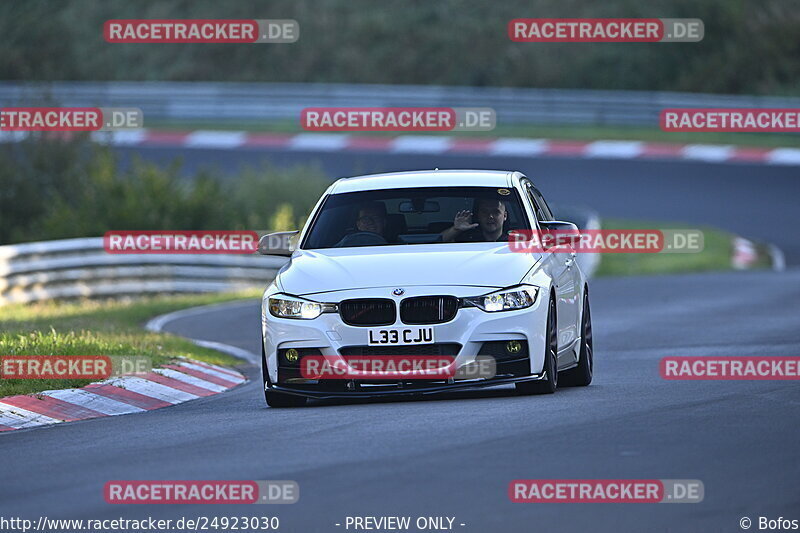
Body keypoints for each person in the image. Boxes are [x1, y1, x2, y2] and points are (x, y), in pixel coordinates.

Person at [441, 198, 508, 242]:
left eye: (496, 212)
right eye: (485, 212)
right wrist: (455, 230)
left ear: (504, 216)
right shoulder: (467, 240)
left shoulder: (513, 243)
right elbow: (438, 241)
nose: (490, 216)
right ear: (478, 216)